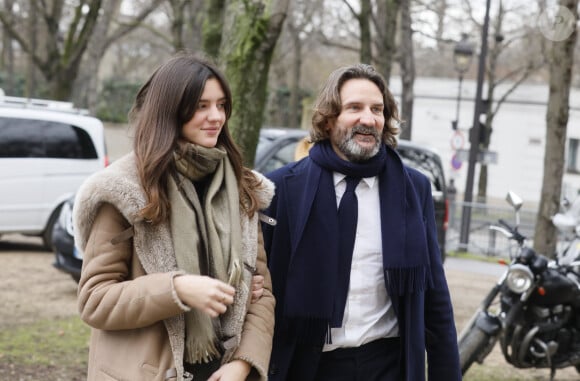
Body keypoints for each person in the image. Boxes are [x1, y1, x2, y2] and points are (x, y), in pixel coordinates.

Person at [73, 53, 275, 381]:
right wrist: (176, 289)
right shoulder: (125, 190)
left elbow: (261, 292)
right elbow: (95, 300)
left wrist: (243, 362)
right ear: (170, 110)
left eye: (222, 105)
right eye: (201, 106)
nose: (216, 117)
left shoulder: (242, 187)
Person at [261, 63, 461, 381]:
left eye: (377, 109)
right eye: (355, 107)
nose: (368, 119)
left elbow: (434, 295)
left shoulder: (414, 188)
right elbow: (259, 295)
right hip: (309, 366)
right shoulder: (281, 189)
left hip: (388, 365)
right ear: (328, 119)